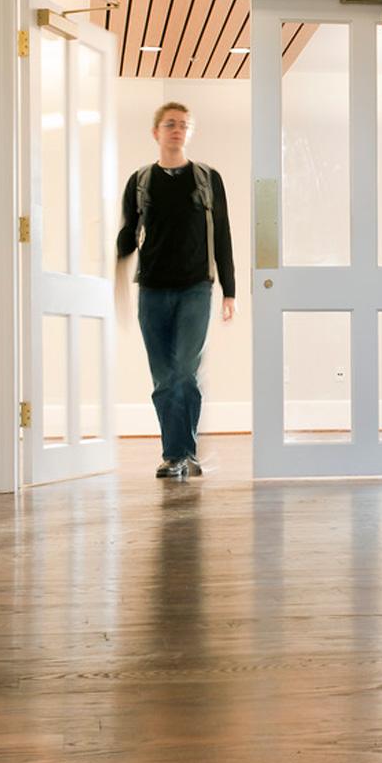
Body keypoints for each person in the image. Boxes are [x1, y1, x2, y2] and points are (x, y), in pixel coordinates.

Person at [116, 100, 236, 479]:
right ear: (156, 132)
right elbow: (127, 235)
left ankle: (183, 452)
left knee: (185, 371)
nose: (177, 130)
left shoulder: (207, 178)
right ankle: (175, 456)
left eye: (183, 124)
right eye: (170, 124)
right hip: (151, 290)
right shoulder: (140, 181)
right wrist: (115, 262)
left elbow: (224, 235)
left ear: (189, 132)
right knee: (164, 378)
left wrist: (229, 291)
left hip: (195, 289)